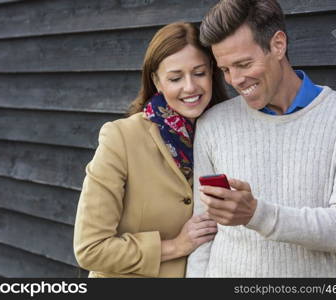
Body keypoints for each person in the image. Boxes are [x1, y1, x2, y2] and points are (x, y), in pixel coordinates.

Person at [186, 0, 336, 277]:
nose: (235, 80)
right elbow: (204, 230)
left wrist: (257, 214)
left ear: (278, 45)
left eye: (243, 64)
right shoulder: (213, 123)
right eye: (225, 69)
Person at [73, 22, 228, 278]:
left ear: (212, 71)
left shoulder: (226, 133)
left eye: (199, 73)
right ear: (156, 81)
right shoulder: (120, 138)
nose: (190, 87)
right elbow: (90, 249)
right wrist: (176, 245)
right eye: (176, 78)